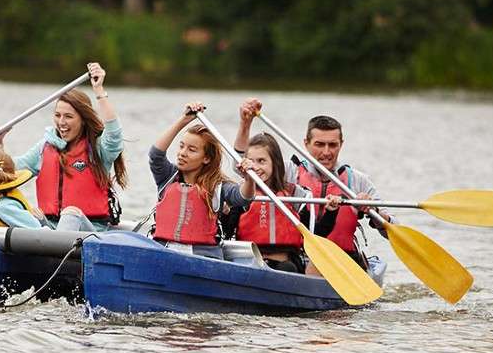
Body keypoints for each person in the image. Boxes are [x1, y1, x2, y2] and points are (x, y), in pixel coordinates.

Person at [234, 98, 390, 273]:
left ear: (341, 145)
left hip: (344, 259)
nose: (326, 152)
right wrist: (245, 124)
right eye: (319, 144)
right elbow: (242, 167)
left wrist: (374, 211)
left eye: (332, 145)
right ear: (306, 143)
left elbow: (389, 230)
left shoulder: (358, 180)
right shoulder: (286, 171)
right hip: (303, 259)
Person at [0, 62, 127, 232]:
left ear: (83, 119)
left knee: (70, 214)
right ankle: (44, 238)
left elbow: (114, 136)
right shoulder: (45, 147)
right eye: (58, 115)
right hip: (50, 227)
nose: (61, 122)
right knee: (2, 204)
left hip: (87, 230)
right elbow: (7, 172)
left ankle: (49, 243)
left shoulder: (98, 148)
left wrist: (99, 91)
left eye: (68, 117)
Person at [148, 102, 254, 259]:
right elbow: (156, 155)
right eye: (181, 146)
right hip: (165, 252)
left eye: (191, 150)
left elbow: (243, 197)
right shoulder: (167, 177)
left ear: (206, 158)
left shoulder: (218, 186)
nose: (182, 153)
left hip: (203, 258)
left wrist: (248, 178)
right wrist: (183, 120)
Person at [228, 132, 341, 273]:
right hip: (250, 263)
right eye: (251, 161)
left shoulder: (296, 195)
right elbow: (227, 231)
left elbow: (316, 234)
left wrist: (331, 212)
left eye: (261, 161)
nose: (255, 167)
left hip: (285, 264)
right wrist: (224, 210)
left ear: (275, 163)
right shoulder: (241, 195)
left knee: (287, 268)